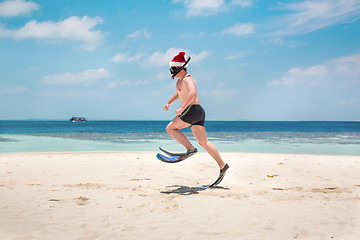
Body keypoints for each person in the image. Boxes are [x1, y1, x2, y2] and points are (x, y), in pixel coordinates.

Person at [163, 51, 229, 186]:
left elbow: (193, 93)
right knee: (204, 142)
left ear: (179, 68)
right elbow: (179, 93)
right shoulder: (180, 81)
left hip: (192, 110)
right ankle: (223, 165)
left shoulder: (187, 78)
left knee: (170, 128)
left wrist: (182, 108)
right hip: (197, 112)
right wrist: (169, 102)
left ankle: (190, 149)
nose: (171, 72)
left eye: (172, 69)